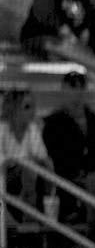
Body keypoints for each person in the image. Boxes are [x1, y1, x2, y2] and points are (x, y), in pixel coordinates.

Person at [0, 88, 54, 221]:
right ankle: (28, 216)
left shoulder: (32, 128)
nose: (32, 111)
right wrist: (22, 162)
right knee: (29, 169)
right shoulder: (2, 128)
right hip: (5, 176)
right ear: (14, 108)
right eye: (27, 107)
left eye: (33, 107)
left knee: (42, 167)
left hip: (28, 175)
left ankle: (46, 207)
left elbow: (42, 156)